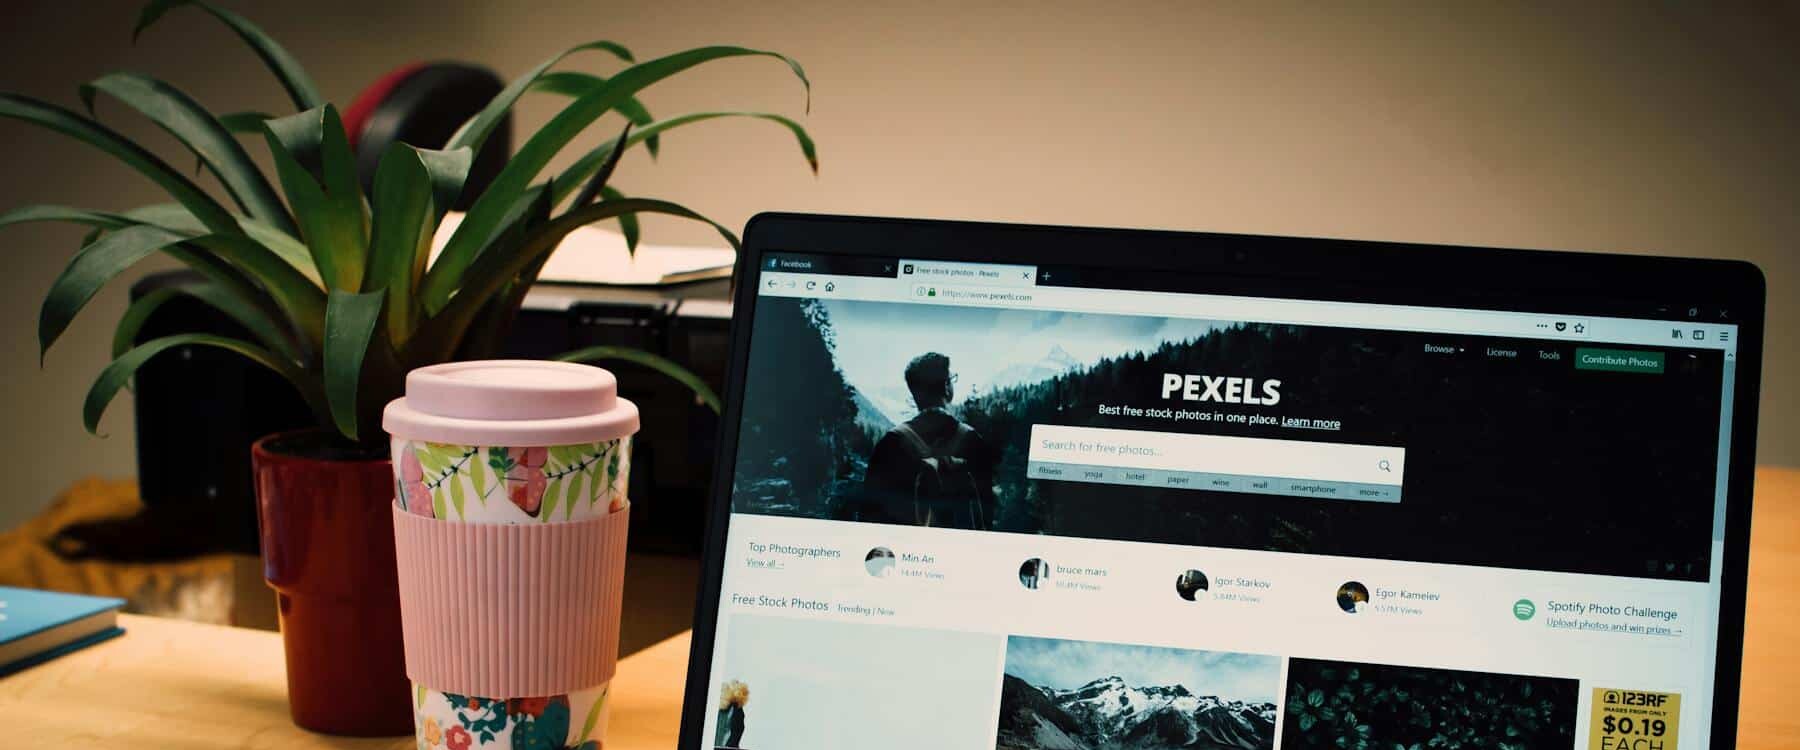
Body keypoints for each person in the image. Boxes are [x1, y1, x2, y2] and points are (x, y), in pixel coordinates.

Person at [863, 353, 997, 529]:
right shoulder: (972, 441)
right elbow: (988, 511)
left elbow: (870, 512)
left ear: (914, 394)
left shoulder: (890, 444)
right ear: (947, 388)